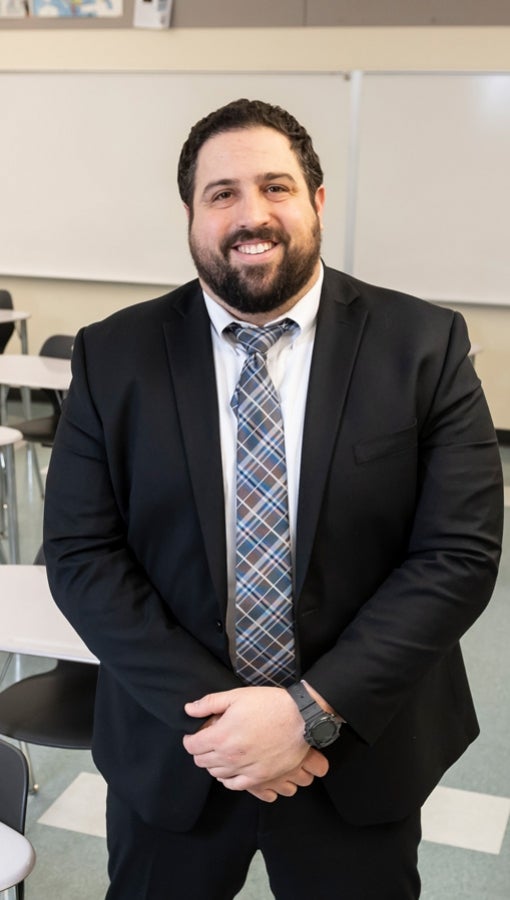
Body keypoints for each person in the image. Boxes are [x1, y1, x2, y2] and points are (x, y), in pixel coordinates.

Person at [43, 98, 504, 900]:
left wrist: (307, 711)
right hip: (177, 752)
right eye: (221, 193)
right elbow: (84, 556)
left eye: (276, 187)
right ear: (190, 215)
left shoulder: (424, 346)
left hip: (358, 753)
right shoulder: (114, 355)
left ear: (317, 202)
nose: (250, 215)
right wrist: (224, 728)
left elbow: (457, 554)